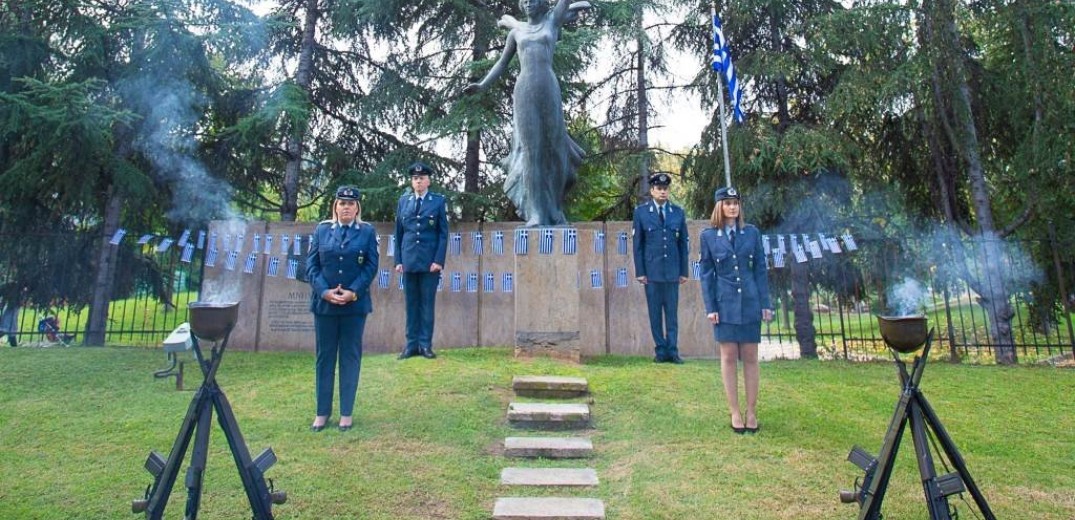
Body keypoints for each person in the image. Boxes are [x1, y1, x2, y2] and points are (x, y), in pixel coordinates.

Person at [463, 0, 591, 226]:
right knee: (533, 154)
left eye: (533, 0)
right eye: (524, 1)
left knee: (555, 149)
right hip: (524, 93)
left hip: (549, 90)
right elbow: (502, 64)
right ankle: (537, 212)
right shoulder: (516, 32)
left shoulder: (551, 22)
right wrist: (482, 85)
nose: (528, 4)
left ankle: (555, 208)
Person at [699, 187, 774, 434]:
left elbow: (760, 270)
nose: (732, 207)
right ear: (719, 207)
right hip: (724, 303)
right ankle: (734, 411)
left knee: (751, 357)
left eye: (736, 203)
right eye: (728, 203)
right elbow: (707, 275)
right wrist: (711, 307)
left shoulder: (751, 233)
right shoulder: (709, 236)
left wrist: (765, 303)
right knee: (729, 356)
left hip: (750, 301)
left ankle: (751, 411)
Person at [306, 186, 378, 432]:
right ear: (335, 207)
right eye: (341, 203)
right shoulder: (322, 230)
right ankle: (322, 412)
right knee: (325, 358)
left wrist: (353, 292)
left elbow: (370, 266)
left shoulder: (367, 232)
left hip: (354, 306)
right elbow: (311, 265)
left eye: (350, 203)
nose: (345, 207)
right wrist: (325, 291)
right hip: (324, 305)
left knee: (349, 357)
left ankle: (346, 413)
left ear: (357, 207)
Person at [632, 172, 689, 364]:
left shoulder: (678, 213)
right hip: (652, 273)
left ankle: (673, 350)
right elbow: (637, 244)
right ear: (652, 190)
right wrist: (640, 272)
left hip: (672, 273)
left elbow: (683, 245)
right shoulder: (641, 212)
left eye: (665, 189)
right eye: (659, 189)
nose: (663, 192)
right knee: (655, 314)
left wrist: (683, 271)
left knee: (672, 314)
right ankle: (660, 351)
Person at [394, 162, 449, 360]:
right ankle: (410, 346)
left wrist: (438, 260)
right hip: (408, 261)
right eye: (415, 178)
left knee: (427, 304)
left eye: (422, 178)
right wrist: (398, 261)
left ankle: (425, 345)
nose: (418, 181)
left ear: (429, 181)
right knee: (411, 304)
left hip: (429, 263)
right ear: (412, 181)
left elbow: (443, 234)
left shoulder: (438, 202)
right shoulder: (404, 201)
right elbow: (398, 233)